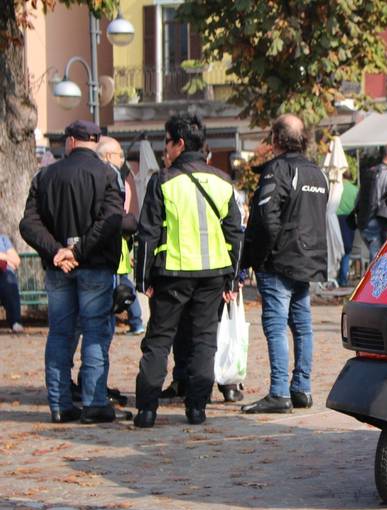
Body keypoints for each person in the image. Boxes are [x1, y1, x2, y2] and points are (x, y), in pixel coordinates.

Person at [132, 113, 243, 427]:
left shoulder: (163, 181)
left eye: (166, 142)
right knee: (205, 340)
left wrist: (143, 279)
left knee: (159, 340)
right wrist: (232, 278)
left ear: (179, 144)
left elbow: (147, 233)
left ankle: (147, 411)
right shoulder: (223, 181)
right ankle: (197, 409)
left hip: (172, 273)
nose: (164, 149)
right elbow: (235, 233)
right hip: (212, 275)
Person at [20, 119, 129, 424]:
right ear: (95, 142)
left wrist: (58, 250)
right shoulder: (107, 174)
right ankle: (94, 403)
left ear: (69, 141)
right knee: (95, 333)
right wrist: (77, 251)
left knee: (60, 333)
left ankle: (59, 404)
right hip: (94, 266)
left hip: (60, 268)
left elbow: (29, 223)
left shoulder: (46, 175)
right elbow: (110, 221)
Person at [240, 114, 328, 414]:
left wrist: (257, 258)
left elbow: (266, 221)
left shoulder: (277, 170)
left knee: (276, 325)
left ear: (275, 139)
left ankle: (279, 393)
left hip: (279, 260)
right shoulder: (317, 173)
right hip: (308, 259)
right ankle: (301, 389)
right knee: (302, 325)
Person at [96, 135, 145, 334]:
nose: (122, 159)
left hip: (116, 243)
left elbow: (118, 214)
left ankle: (134, 321)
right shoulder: (116, 177)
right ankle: (135, 321)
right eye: (119, 155)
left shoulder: (116, 178)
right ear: (108, 155)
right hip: (118, 243)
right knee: (123, 283)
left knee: (121, 283)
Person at [353, 141, 387, 259]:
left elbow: (358, 200)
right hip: (379, 223)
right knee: (379, 259)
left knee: (374, 256)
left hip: (364, 222)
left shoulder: (371, 171)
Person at [336, 174, 358, 286]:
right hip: (349, 220)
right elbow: (358, 207)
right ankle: (343, 280)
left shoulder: (335, 187)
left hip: (334, 219)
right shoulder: (355, 190)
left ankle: (332, 276)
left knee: (333, 248)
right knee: (346, 251)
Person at [0, 235, 23, 333]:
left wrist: (2, 256)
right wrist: (7, 259)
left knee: (9, 278)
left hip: (4, 276)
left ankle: (15, 322)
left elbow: (16, 261)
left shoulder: (3, 239)